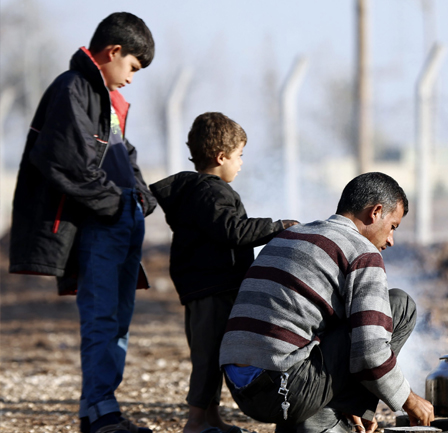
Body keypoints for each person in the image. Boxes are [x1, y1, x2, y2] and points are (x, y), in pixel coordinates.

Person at [8, 12, 156, 433]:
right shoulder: (73, 88)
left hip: (123, 215)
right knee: (102, 317)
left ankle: (104, 409)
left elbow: (121, 153)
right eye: (132, 67)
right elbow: (64, 160)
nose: (131, 78)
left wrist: (139, 198)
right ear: (113, 52)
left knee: (119, 320)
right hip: (102, 221)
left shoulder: (105, 98)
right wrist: (114, 204)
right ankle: (99, 415)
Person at [219, 172, 434, 433]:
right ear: (375, 212)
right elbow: (370, 353)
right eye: (393, 227)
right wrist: (409, 400)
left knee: (352, 318)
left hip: (240, 389)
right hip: (284, 388)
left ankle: (333, 412)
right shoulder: (362, 252)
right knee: (399, 306)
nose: (390, 240)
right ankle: (325, 421)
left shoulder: (291, 234)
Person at [150, 112, 299, 433]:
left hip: (211, 287)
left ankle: (211, 418)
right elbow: (232, 230)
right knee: (206, 357)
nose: (241, 163)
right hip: (210, 290)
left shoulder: (202, 191)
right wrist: (277, 227)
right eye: (239, 155)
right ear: (221, 157)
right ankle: (195, 422)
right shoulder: (211, 192)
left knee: (217, 352)